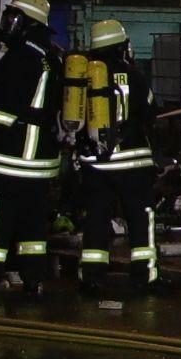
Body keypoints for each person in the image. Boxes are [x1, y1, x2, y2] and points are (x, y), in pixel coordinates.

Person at [0, 0, 68, 289]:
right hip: (42, 164)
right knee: (33, 226)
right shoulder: (53, 57)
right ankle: (33, 279)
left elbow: (5, 109)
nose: (7, 24)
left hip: (11, 159)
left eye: (13, 18)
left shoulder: (21, 56)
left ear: (27, 23)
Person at [67, 18, 161, 294]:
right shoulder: (133, 75)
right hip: (132, 162)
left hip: (96, 164)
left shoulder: (83, 76)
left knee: (96, 219)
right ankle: (145, 276)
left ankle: (91, 277)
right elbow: (150, 114)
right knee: (140, 219)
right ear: (121, 47)